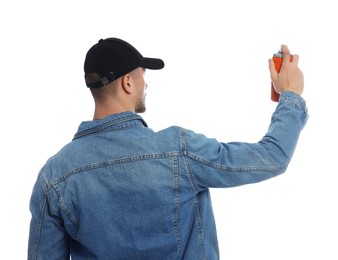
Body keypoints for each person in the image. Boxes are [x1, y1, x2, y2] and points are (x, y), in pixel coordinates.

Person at [28, 37, 308, 260]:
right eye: (142, 76)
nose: (145, 84)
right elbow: (272, 156)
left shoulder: (53, 176)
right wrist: (290, 95)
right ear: (127, 82)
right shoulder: (179, 150)